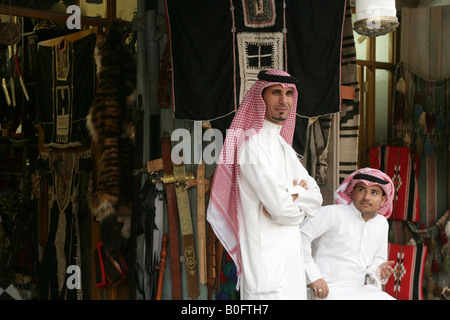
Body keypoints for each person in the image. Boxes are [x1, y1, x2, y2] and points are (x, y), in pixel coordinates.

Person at [207, 69, 323, 300]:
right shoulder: (251, 147)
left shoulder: (283, 146)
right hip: (265, 274)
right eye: (276, 92)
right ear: (261, 97)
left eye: (289, 93)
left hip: (291, 269)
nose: (284, 100)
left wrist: (291, 194)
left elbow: (317, 200)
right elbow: (281, 209)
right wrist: (297, 198)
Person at [301, 167, 396, 300]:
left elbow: (377, 260)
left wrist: (380, 271)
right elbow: (299, 236)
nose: (366, 197)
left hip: (360, 291)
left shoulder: (381, 224)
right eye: (362, 190)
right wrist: (313, 277)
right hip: (327, 290)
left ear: (383, 200)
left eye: (374, 193)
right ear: (353, 192)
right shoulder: (333, 213)